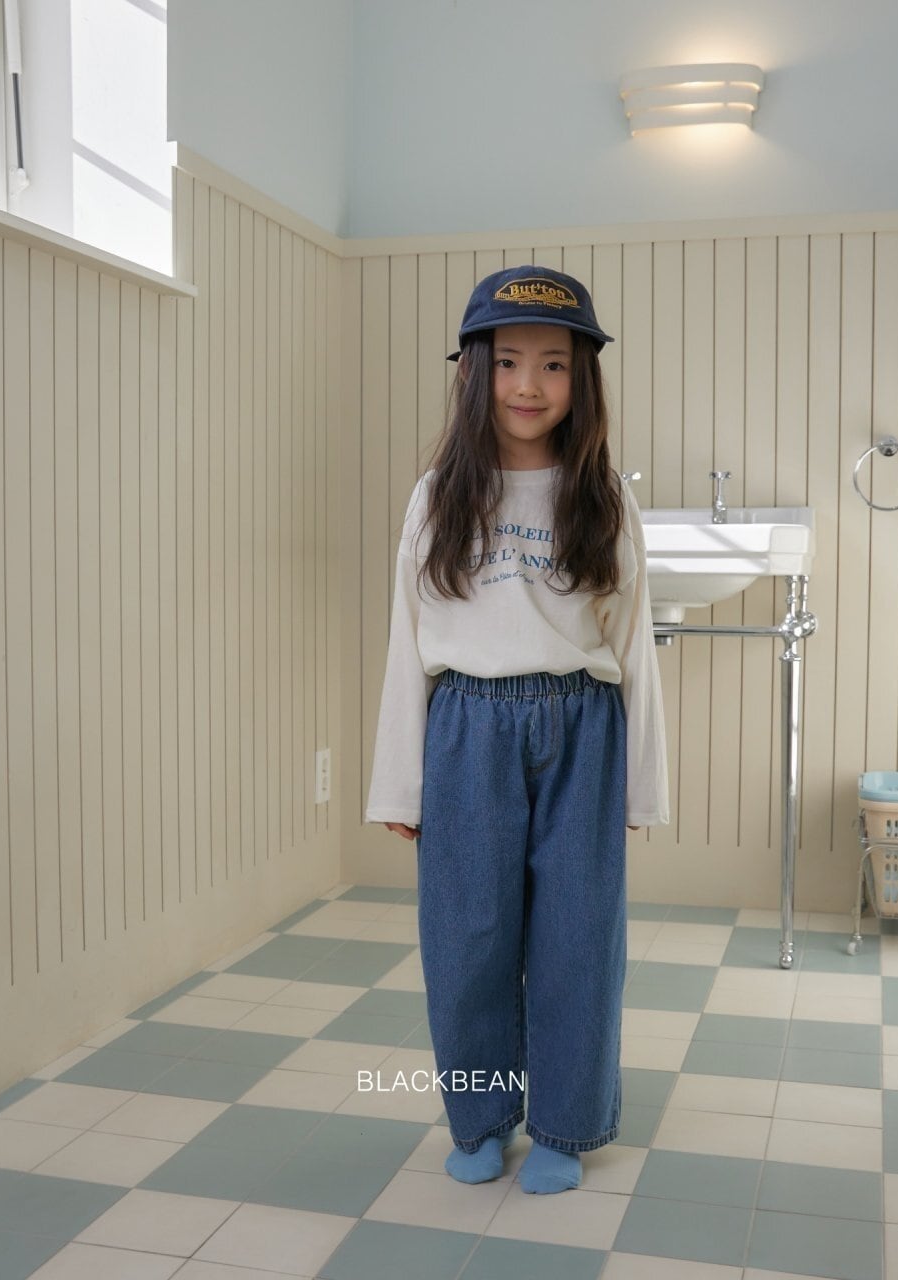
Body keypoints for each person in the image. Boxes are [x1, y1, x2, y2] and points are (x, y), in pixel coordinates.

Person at [365, 265, 669, 1195]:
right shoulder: (437, 497)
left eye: (553, 364)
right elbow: (408, 640)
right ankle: (481, 1119)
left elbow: (634, 644)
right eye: (507, 362)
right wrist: (399, 781)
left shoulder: (602, 495)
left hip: (582, 731)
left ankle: (566, 1128)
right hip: (466, 731)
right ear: (473, 371)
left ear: (582, 379)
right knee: (467, 939)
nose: (528, 385)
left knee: (579, 939)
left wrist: (642, 785)